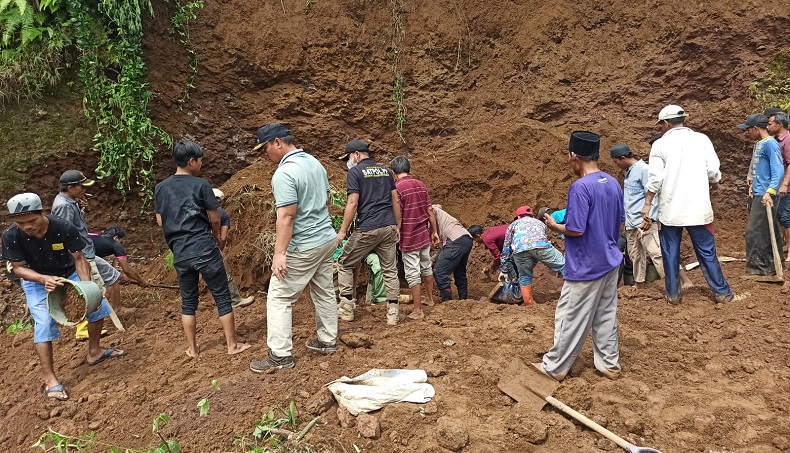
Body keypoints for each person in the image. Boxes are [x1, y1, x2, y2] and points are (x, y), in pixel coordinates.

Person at [2, 193, 125, 401]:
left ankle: (94, 352)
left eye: (32, 221)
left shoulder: (63, 227)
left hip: (69, 271)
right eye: (21, 223)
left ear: (42, 213)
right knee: (43, 324)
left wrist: (86, 287)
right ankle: (51, 380)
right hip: (35, 279)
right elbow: (18, 269)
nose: (27, 226)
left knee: (97, 305)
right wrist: (43, 279)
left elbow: (79, 259)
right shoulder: (11, 235)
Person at [248, 124, 338, 372]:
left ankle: (280, 355)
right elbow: (328, 201)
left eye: (265, 147)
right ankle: (328, 340)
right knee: (324, 291)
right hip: (326, 239)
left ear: (277, 142)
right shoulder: (314, 163)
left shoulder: (284, 173)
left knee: (278, 297)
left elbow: (286, 216)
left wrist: (279, 254)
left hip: (305, 245)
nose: (266, 153)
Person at [537, 131, 624, 381]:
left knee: (570, 316)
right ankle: (608, 364)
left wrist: (554, 226)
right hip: (610, 260)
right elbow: (619, 224)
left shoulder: (580, 187)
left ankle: (553, 368)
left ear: (574, 156)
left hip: (587, 265)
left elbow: (575, 229)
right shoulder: (612, 182)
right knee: (605, 314)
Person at [154, 139, 250, 358]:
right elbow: (215, 219)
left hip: (180, 251)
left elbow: (161, 221)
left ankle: (193, 348)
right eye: (200, 160)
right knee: (222, 297)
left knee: (188, 302)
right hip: (204, 247)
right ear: (191, 162)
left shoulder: (161, 188)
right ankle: (232, 345)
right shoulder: (201, 185)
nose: (201, 164)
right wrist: (216, 238)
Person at [642, 104, 743, 304]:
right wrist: (713, 184)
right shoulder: (701, 139)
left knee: (670, 252)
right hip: (698, 208)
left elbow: (655, 179)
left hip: (671, 210)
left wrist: (647, 204)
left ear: (665, 123)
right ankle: (722, 293)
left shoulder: (660, 145)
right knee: (707, 251)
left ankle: (673, 295)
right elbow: (713, 171)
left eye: (660, 126)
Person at [335, 139, 402, 325]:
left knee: (345, 262)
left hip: (368, 228)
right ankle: (393, 314)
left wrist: (342, 231)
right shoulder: (386, 171)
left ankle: (347, 308)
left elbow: (352, 203)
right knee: (389, 270)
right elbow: (395, 200)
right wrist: (397, 226)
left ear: (356, 155)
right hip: (388, 227)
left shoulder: (355, 172)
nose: (349, 161)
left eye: (349, 157)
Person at [51, 170, 122, 339]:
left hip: (87, 251)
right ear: (70, 187)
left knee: (110, 276)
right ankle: (83, 327)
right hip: (80, 255)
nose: (84, 189)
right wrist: (76, 259)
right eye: (81, 186)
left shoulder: (71, 200)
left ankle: (112, 314)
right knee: (92, 289)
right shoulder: (63, 206)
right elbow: (64, 233)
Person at [610, 144, 665, 287]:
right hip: (631, 223)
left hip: (644, 221)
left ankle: (670, 284)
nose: (616, 165)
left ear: (623, 158)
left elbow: (653, 194)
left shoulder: (643, 170)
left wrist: (650, 217)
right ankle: (639, 284)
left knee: (656, 253)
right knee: (635, 255)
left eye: (616, 162)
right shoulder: (628, 172)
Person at [390, 156, 439, 320]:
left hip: (409, 237)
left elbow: (399, 216)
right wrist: (434, 232)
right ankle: (430, 299)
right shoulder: (421, 185)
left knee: (412, 273)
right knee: (426, 267)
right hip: (423, 235)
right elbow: (430, 211)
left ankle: (418, 310)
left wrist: (397, 231)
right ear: (409, 169)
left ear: (393, 173)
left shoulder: (397, 189)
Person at [738, 113, 784, 275]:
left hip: (765, 195)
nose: (747, 133)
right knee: (763, 229)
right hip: (758, 193)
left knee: (755, 232)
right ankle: (773, 265)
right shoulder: (759, 144)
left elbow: (778, 170)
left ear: (756, 128)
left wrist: (770, 192)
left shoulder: (770, 144)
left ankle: (760, 268)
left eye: (748, 129)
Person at [500, 205, 565, 306]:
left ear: (518, 217)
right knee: (563, 266)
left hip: (519, 250)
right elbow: (541, 239)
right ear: (532, 216)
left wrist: (504, 268)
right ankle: (574, 294)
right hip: (541, 246)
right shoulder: (540, 223)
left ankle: (528, 303)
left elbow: (506, 247)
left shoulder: (513, 225)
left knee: (524, 276)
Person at [212, 188, 255, 308]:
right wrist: (219, 249)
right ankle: (235, 300)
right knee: (223, 274)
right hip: (211, 248)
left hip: (190, 248)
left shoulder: (198, 211)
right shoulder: (223, 214)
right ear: (221, 200)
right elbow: (223, 237)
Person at [432, 205, 473, 301]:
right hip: (466, 239)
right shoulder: (444, 219)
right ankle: (464, 300)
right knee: (459, 272)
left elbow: (431, 209)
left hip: (455, 240)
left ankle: (448, 302)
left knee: (439, 272)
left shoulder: (429, 210)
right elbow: (444, 249)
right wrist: (433, 259)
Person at [767, 110, 790, 259]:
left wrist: (785, 184)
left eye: (770, 124)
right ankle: (787, 243)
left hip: (786, 185)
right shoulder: (776, 140)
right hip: (779, 184)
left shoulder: (788, 140)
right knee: (781, 215)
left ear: (779, 124)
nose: (768, 126)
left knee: (786, 216)